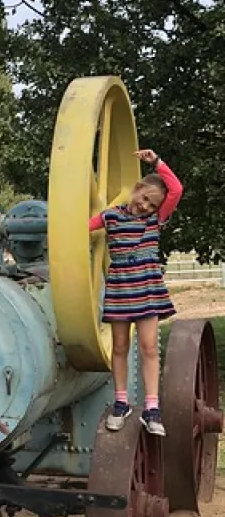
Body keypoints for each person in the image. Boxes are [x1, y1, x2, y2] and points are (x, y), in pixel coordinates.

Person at [89, 149, 183, 437]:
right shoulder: (110, 217)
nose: (144, 206)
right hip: (120, 290)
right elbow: (79, 230)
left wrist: (156, 162)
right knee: (119, 347)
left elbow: (176, 189)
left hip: (147, 290)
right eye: (143, 198)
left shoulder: (155, 220)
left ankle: (152, 409)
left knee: (149, 348)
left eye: (151, 204)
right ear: (136, 189)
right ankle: (121, 402)